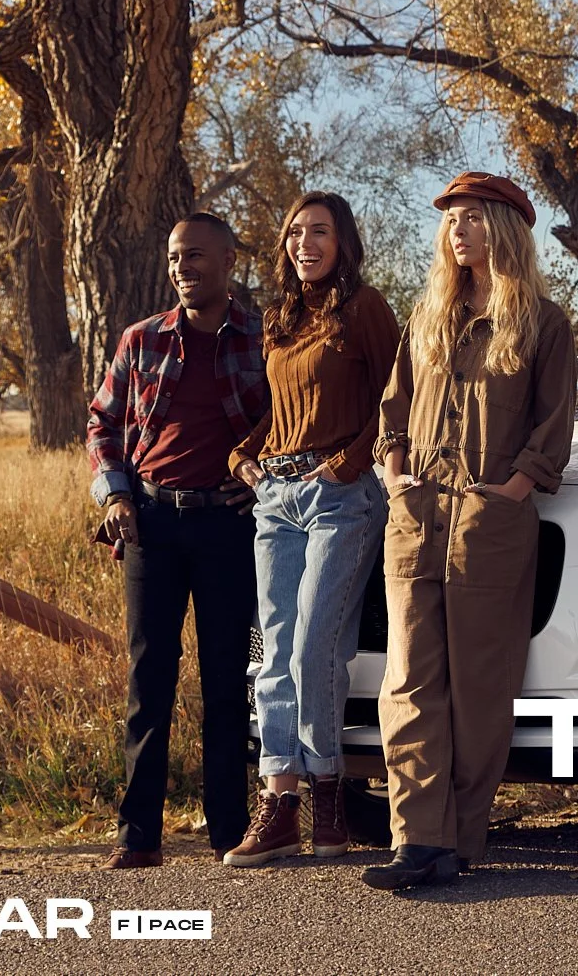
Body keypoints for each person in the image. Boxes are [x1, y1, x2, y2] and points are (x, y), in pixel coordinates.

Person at [361, 172, 577, 891]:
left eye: (473, 217)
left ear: (506, 229)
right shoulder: (427, 317)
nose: (458, 230)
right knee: (409, 681)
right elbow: (393, 410)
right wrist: (394, 473)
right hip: (416, 515)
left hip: (488, 522)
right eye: (451, 218)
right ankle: (417, 840)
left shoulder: (544, 322)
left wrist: (512, 488)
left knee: (480, 685)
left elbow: (553, 427)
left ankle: (460, 839)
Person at [220, 192, 401, 867]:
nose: (305, 243)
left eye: (319, 232)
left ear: (342, 240)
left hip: (341, 497)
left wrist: (348, 463)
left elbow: (394, 398)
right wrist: (245, 454)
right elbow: (283, 411)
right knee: (269, 653)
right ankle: (279, 800)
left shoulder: (365, 308)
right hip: (277, 495)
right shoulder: (281, 319)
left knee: (315, 647)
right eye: (296, 232)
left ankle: (328, 790)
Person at [86, 212, 268, 870]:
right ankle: (139, 837)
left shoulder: (261, 338)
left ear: (229, 261)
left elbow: (288, 420)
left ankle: (229, 833)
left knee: (225, 680)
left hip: (228, 527)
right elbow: (102, 424)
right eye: (173, 259)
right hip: (150, 525)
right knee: (148, 679)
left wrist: (263, 476)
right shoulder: (141, 340)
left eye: (194, 256)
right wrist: (113, 495)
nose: (182, 268)